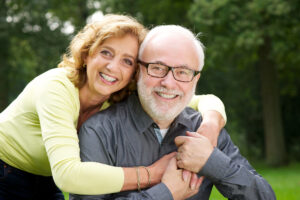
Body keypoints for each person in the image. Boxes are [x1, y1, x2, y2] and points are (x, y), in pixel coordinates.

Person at [0, 14, 227, 199]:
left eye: (127, 61)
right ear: (88, 54)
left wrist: (211, 125)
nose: (112, 67)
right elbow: (68, 174)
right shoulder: (56, 86)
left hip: (44, 178)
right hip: (5, 168)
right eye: (106, 52)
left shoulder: (118, 94)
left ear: (134, 72)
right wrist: (152, 174)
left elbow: (201, 99)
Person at [70, 25, 276, 200]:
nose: (169, 83)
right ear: (138, 71)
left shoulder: (206, 130)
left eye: (183, 72)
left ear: (195, 80)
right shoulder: (99, 130)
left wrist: (212, 162)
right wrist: (165, 193)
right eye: (157, 68)